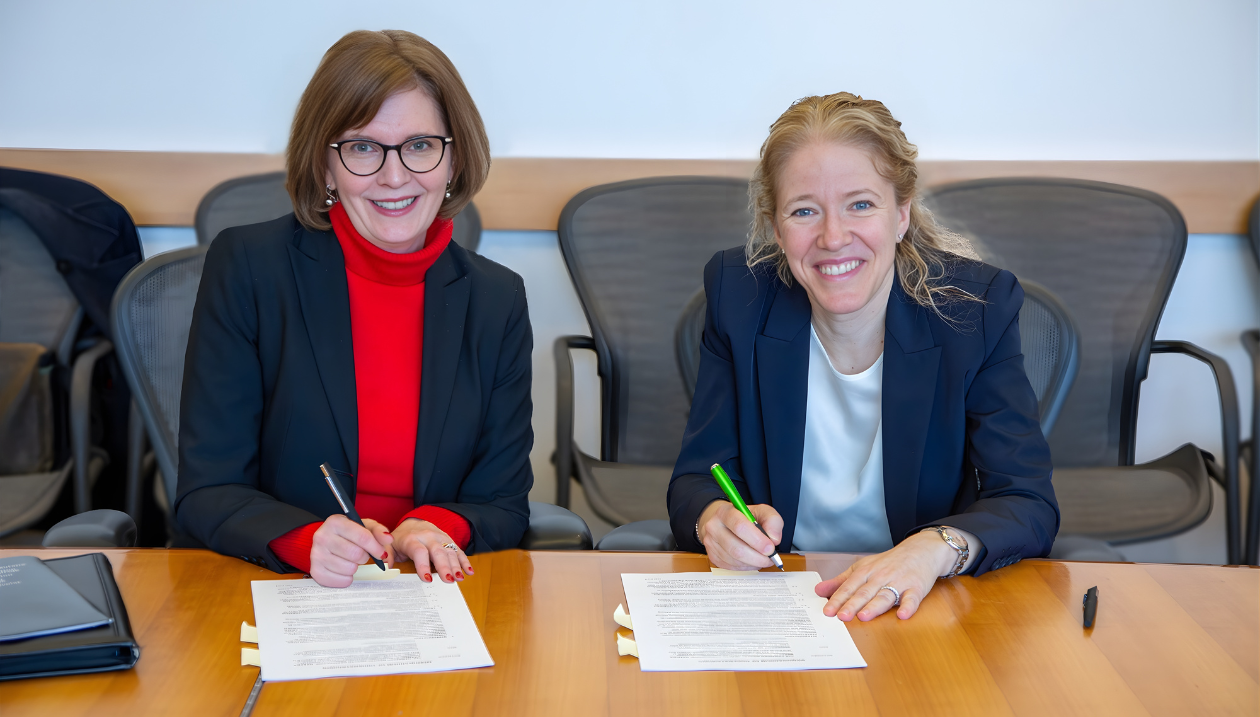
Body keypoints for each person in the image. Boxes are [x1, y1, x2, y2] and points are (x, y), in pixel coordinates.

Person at [668, 92, 1058, 621]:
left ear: (901, 214)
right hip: (779, 601)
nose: (833, 237)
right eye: (805, 210)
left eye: (861, 204)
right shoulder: (740, 296)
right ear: (777, 228)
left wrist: (934, 549)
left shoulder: (975, 311)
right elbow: (697, 477)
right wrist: (712, 519)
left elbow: (1027, 501)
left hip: (917, 604)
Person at [177, 30, 532, 588]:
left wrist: (429, 526)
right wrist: (305, 540)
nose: (395, 177)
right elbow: (208, 490)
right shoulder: (249, 265)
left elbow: (503, 502)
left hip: (430, 591)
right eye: (363, 147)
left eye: (419, 145)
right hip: (284, 587)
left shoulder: (496, 298)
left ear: (453, 161)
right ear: (325, 165)